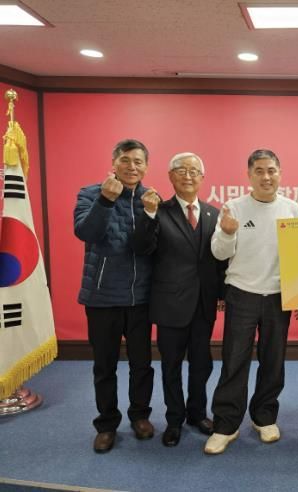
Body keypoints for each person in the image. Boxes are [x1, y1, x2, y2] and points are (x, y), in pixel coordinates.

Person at [204, 149, 298, 455]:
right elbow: (219, 253)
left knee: (273, 360)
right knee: (234, 360)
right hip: (242, 293)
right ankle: (226, 424)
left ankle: (265, 417)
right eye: (259, 171)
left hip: (278, 295)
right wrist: (227, 233)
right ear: (249, 175)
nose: (266, 177)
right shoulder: (233, 207)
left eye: (271, 170)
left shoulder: (292, 208)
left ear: (280, 173)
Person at [132, 152, 227, 447]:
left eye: (194, 171)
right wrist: (147, 215)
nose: (188, 175)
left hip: (203, 304)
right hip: (170, 304)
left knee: (202, 364)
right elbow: (142, 247)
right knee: (171, 366)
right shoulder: (157, 210)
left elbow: (220, 260)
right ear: (170, 176)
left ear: (202, 178)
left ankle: (197, 414)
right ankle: (174, 419)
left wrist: (222, 294)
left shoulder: (214, 214)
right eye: (181, 170)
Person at [74, 138, 155, 453]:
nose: (132, 167)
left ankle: (140, 416)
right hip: (102, 298)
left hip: (140, 299)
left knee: (142, 364)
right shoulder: (91, 193)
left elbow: (152, 247)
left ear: (146, 167)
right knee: (104, 365)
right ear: (114, 163)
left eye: (138, 161)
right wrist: (106, 201)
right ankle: (107, 424)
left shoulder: (151, 200)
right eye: (125, 160)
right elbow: (85, 232)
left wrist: (150, 214)